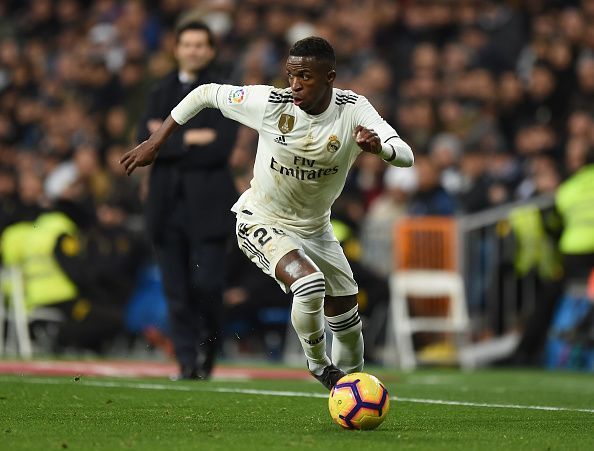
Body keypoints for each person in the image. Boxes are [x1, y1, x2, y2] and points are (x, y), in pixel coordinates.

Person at [122, 36, 413, 390]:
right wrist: (157, 141)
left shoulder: (353, 109)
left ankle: (351, 390)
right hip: (262, 218)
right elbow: (204, 93)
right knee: (308, 284)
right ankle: (319, 365)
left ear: (329, 77)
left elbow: (405, 153)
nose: (295, 84)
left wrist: (380, 148)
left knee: (349, 318)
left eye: (305, 76)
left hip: (316, 228)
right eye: (291, 75)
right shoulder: (271, 103)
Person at [135, 21, 239, 380]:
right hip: (166, 205)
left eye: (200, 44)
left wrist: (164, 141)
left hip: (209, 206)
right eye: (187, 44)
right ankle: (185, 361)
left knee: (208, 284)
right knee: (175, 289)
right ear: (176, 49)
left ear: (210, 50)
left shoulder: (223, 91)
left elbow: (220, 148)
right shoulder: (159, 90)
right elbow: (143, 144)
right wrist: (192, 140)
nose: (193, 50)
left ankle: (208, 349)